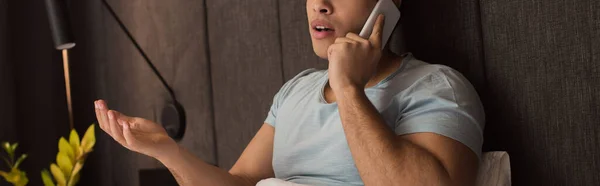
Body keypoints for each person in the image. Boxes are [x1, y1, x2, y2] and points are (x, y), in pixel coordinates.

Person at [94, 0, 484, 185]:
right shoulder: (296, 91)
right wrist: (168, 152)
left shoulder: (435, 87)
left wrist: (348, 89)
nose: (320, 5)